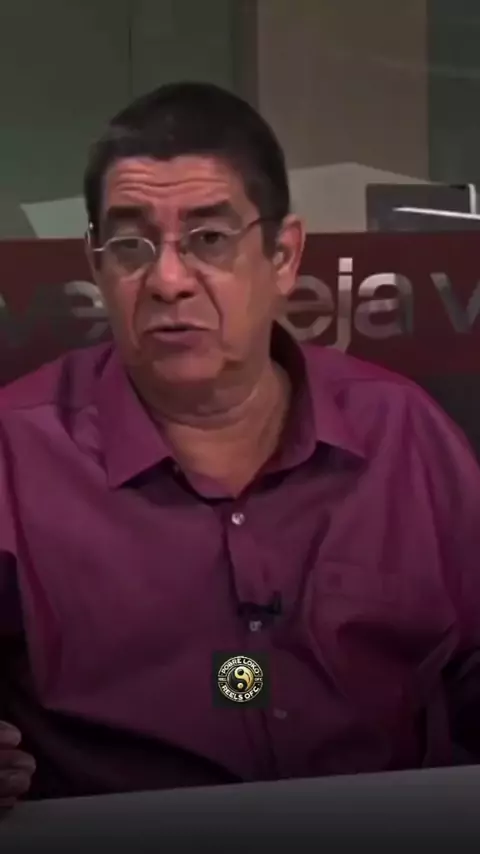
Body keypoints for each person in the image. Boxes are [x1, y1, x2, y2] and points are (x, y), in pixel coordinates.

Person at [1, 82, 480, 809]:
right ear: (96, 265)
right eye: (130, 246)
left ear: (283, 256)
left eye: (209, 239)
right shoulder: (16, 453)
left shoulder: (402, 432)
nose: (167, 281)